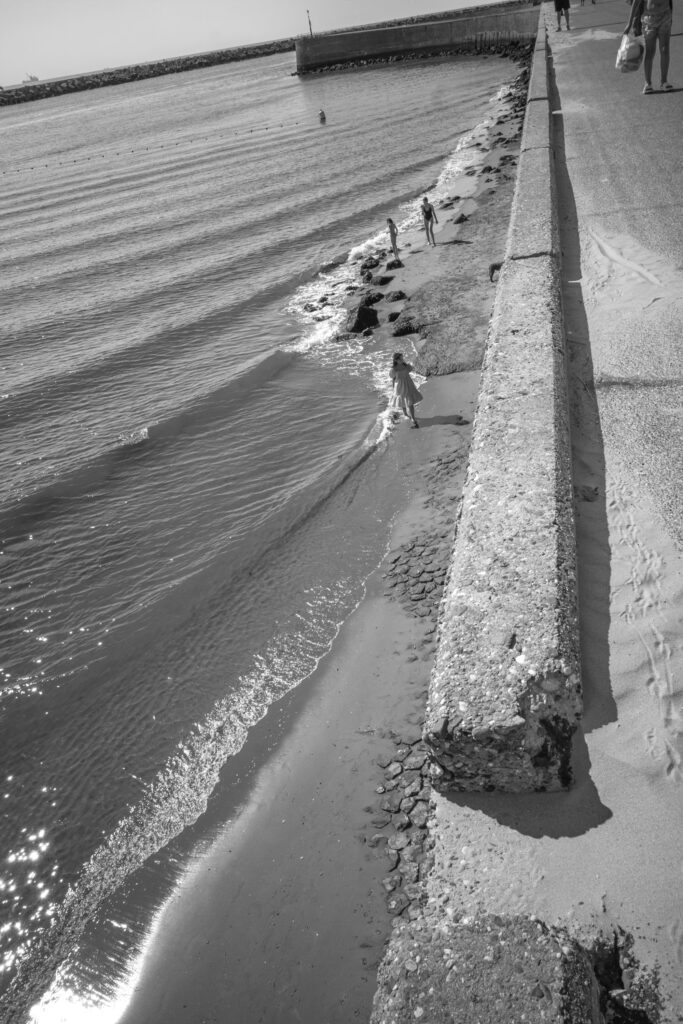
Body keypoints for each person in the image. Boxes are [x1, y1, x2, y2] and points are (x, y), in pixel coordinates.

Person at [625, 0, 673, 92]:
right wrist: (629, 23)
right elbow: (636, 2)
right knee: (650, 52)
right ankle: (648, 83)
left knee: (664, 49)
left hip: (665, 16)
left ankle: (664, 81)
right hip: (649, 20)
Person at [390, 352, 423, 428]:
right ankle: (405, 413)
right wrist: (393, 388)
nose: (402, 360)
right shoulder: (393, 369)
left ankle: (413, 418)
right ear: (396, 360)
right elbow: (393, 378)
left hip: (408, 384)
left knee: (410, 402)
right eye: (400, 359)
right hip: (399, 386)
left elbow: (411, 368)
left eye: (402, 358)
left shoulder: (406, 366)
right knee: (402, 400)